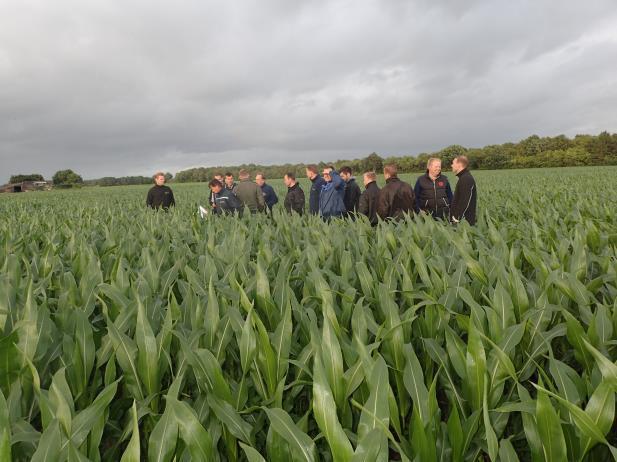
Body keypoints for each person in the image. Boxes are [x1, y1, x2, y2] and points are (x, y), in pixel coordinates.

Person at [450, 155, 477, 225]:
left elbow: (464, 201)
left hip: (464, 223)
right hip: (462, 222)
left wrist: (456, 218)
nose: (451, 165)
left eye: (453, 163)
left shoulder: (466, 179)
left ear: (459, 165)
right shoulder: (463, 177)